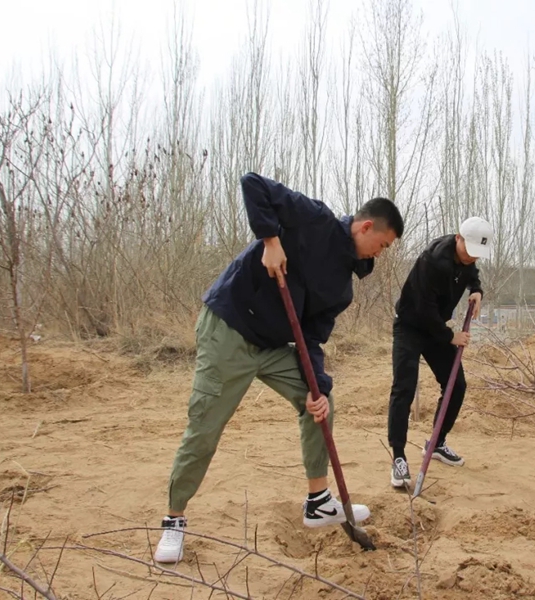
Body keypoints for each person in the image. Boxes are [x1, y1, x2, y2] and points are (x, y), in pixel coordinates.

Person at [153, 172, 404, 564]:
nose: (381, 253)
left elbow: (311, 339)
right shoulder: (315, 219)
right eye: (383, 244)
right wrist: (270, 241)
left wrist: (317, 386)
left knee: (320, 403)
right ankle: (174, 519)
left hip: (271, 347)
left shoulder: (342, 288)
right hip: (230, 330)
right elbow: (253, 184)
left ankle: (318, 502)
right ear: (366, 226)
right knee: (205, 426)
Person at [386, 217, 492, 489]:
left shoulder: (467, 258)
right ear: (458, 238)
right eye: (469, 251)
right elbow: (423, 309)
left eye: (476, 254)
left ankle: (436, 443)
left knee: (456, 385)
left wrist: (476, 290)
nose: (471, 258)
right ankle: (398, 457)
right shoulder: (432, 262)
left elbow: (472, 272)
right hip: (410, 326)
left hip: (436, 329)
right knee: (404, 388)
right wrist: (450, 336)